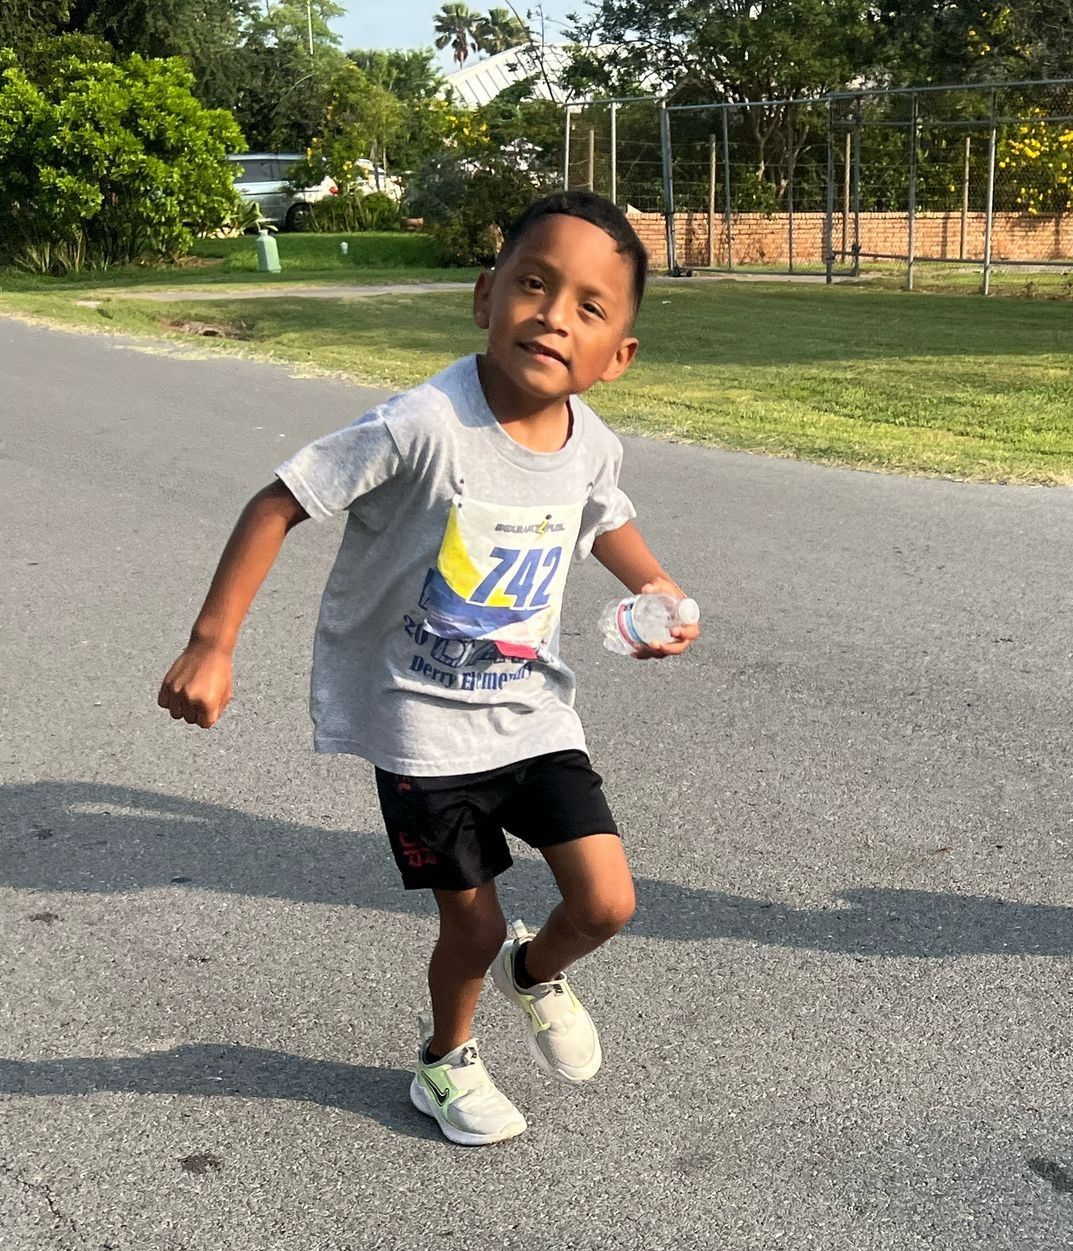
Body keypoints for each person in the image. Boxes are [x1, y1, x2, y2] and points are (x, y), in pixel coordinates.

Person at [158, 190, 699, 1146]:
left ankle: (538, 975)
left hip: (532, 714)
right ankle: (444, 1062)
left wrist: (654, 583)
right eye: (533, 284)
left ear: (618, 356)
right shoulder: (422, 424)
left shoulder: (591, 441)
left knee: (608, 900)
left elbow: (602, 513)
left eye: (588, 306)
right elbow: (280, 500)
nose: (551, 314)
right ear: (486, 295)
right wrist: (213, 642)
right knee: (474, 928)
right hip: (422, 730)